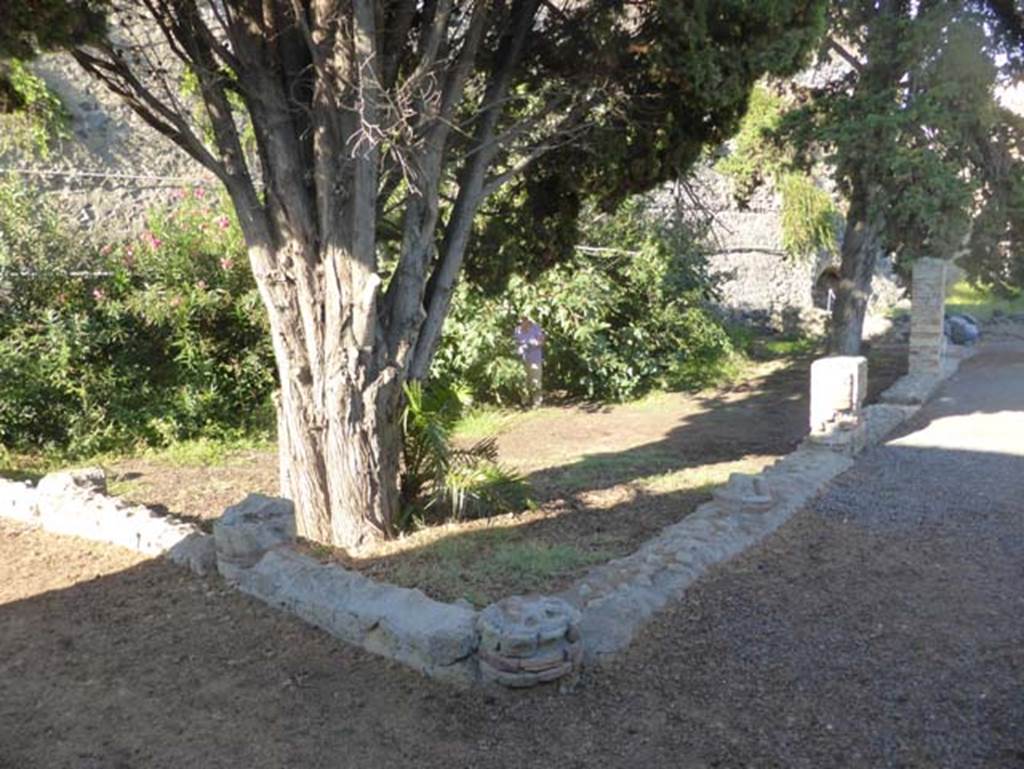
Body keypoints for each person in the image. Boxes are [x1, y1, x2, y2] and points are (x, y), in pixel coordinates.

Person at [513, 316, 545, 407]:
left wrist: (533, 343)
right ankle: (525, 401)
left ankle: (537, 401)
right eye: (521, 321)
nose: (522, 323)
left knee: (535, 380)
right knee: (524, 381)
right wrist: (519, 348)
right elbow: (515, 342)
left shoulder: (536, 328)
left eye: (524, 320)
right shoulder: (518, 330)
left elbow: (542, 342)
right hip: (522, 359)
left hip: (535, 359)